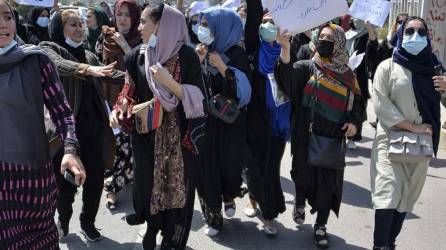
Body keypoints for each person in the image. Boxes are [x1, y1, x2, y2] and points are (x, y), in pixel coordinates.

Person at [110, 4, 205, 249]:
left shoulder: (187, 56)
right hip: (146, 134)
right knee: (147, 183)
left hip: (179, 138)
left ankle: (170, 234)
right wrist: (118, 108)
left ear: (161, 26)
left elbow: (198, 98)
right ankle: (152, 226)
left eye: (144, 22)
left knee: (175, 187)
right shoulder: (137, 55)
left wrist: (168, 82)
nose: (139, 27)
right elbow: (128, 90)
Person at [0, 1, 86, 249]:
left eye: (7, 17)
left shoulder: (37, 61)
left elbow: (62, 112)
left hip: (32, 179)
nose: (2, 24)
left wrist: (70, 151)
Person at [275, 23, 363, 249]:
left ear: (340, 43)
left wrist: (353, 124)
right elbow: (287, 75)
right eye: (321, 36)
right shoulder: (308, 66)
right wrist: (285, 48)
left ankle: (321, 225)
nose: (324, 40)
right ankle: (300, 201)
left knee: (328, 184)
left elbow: (357, 105)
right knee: (302, 176)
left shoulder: (348, 74)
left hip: (333, 139)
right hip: (306, 134)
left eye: (330, 38)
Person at [39, 9, 123, 242]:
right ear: (60, 28)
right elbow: (58, 64)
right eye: (72, 25)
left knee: (95, 180)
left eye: (80, 25)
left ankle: (88, 222)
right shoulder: (49, 48)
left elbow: (108, 74)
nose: (79, 29)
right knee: (65, 185)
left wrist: (133, 76)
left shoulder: (89, 54)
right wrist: (86, 69)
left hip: (93, 129)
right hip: (66, 132)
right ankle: (63, 220)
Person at [370, 17, 444, 250]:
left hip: (421, 145)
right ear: (401, 34)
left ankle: (390, 242)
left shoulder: (435, 70)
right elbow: (381, 104)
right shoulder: (387, 67)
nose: (415, 35)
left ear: (428, 37)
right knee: (388, 192)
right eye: (410, 31)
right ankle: (379, 245)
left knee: (406, 198)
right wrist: (412, 127)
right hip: (389, 140)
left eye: (422, 32)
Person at [194, 6, 252, 237]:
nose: (203, 30)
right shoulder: (200, 51)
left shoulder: (237, 54)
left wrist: (224, 68)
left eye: (208, 25)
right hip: (206, 124)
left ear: (222, 28)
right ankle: (213, 216)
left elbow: (244, 93)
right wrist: (198, 63)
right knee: (207, 170)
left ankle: (228, 195)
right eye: (203, 25)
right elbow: (193, 87)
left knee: (229, 167)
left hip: (231, 125)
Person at [243, 0, 288, 236]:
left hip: (278, 124)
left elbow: (292, 79)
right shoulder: (253, 48)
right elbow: (251, 21)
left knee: (271, 168)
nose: (268, 26)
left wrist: (285, 49)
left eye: (273, 23)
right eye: (265, 23)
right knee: (254, 166)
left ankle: (269, 214)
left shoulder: (288, 51)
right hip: (255, 120)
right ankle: (254, 200)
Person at [98, 0, 142, 211]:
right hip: (109, 99)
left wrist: (125, 46)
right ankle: (112, 188)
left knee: (130, 146)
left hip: (133, 99)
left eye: (128, 15)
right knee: (113, 146)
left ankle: (119, 183)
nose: (123, 19)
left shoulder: (141, 39)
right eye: (119, 14)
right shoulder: (106, 37)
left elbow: (141, 69)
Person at [344, 18, 379, 149]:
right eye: (352, 18)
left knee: (357, 106)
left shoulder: (366, 35)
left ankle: (353, 137)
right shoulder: (346, 34)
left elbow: (373, 50)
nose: (353, 20)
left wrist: (370, 31)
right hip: (343, 75)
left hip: (358, 78)